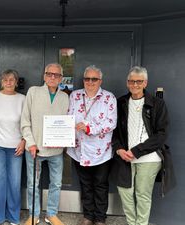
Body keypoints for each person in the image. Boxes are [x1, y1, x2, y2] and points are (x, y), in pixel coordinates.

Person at [111, 66, 168, 225]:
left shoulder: (157, 104)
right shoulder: (121, 102)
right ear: (127, 83)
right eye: (131, 81)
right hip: (125, 157)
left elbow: (161, 134)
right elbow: (114, 131)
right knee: (125, 192)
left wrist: (137, 151)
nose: (135, 84)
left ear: (145, 83)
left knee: (142, 194)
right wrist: (119, 149)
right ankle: (132, 223)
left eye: (139, 81)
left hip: (149, 158)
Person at [67, 65, 117, 225]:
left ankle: (100, 218)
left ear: (100, 80)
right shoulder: (75, 95)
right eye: (87, 78)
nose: (90, 82)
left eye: (94, 79)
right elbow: (68, 117)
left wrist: (90, 128)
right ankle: (88, 216)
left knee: (100, 185)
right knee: (85, 184)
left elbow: (111, 122)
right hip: (79, 149)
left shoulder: (109, 98)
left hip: (101, 150)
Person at [21, 63, 69, 225]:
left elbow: (66, 124)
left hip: (56, 151)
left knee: (56, 182)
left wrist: (64, 140)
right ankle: (34, 215)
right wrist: (31, 143)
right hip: (35, 149)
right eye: (49, 74)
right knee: (32, 183)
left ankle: (51, 213)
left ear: (61, 78)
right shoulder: (33, 92)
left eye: (56, 75)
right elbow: (25, 120)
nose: (52, 77)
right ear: (44, 76)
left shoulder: (65, 97)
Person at [0, 69, 26, 225]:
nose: (8, 82)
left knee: (14, 183)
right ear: (1, 81)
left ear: (16, 82)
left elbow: (28, 122)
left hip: (16, 146)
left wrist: (24, 140)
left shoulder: (23, 99)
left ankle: (13, 217)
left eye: (12, 79)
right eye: (5, 79)